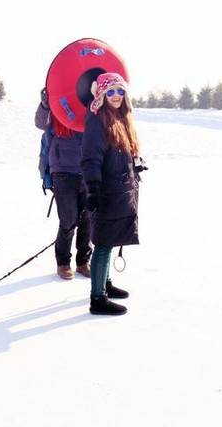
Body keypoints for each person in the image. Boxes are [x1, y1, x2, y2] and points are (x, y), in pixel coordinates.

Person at [81, 72, 145, 315]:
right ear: (101, 94)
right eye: (110, 92)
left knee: (110, 239)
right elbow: (91, 157)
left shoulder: (122, 118)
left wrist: (135, 163)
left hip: (121, 189)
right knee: (104, 243)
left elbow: (120, 152)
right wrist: (93, 189)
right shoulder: (97, 120)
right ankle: (97, 298)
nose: (116, 96)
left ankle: (105, 284)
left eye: (120, 91)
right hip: (107, 190)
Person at [35, 88, 92, 280]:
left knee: (88, 219)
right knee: (68, 220)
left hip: (87, 171)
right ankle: (63, 263)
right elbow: (41, 123)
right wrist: (45, 104)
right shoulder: (59, 105)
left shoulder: (90, 106)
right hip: (62, 172)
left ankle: (83, 261)